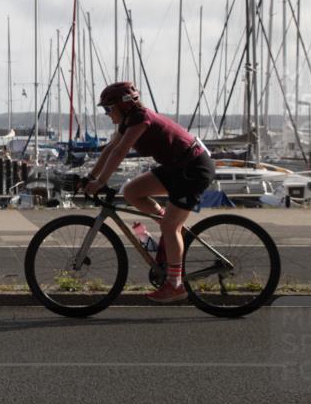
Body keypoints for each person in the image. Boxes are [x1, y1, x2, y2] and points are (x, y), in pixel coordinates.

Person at [83, 81, 215, 303]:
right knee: (132, 192)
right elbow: (110, 149)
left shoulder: (140, 119)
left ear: (124, 106)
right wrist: (90, 177)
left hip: (193, 168)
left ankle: (175, 285)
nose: (106, 114)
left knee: (171, 226)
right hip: (177, 167)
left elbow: (120, 152)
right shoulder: (127, 121)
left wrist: (101, 181)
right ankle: (168, 229)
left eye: (108, 108)